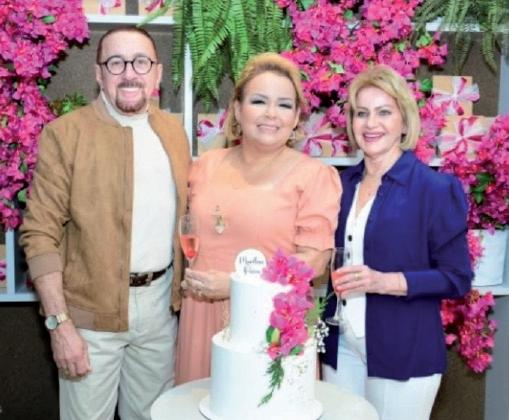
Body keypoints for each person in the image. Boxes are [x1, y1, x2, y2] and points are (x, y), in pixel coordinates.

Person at [19, 27, 190, 420]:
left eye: (141, 62)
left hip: (159, 313)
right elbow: (39, 234)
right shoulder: (65, 135)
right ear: (98, 74)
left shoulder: (174, 134)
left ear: (157, 73)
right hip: (88, 320)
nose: (129, 73)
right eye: (116, 62)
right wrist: (60, 325)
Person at [175, 52, 342, 384]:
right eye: (259, 101)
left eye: (284, 105)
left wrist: (237, 285)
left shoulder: (314, 176)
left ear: (296, 117)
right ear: (237, 110)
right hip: (201, 314)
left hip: (271, 319)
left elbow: (315, 262)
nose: (271, 114)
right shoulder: (205, 165)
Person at [320, 65, 473, 420]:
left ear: (404, 122)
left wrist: (385, 282)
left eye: (384, 112)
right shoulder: (340, 185)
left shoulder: (435, 189)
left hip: (404, 350)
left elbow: (457, 278)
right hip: (341, 347)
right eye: (361, 113)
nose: (371, 124)